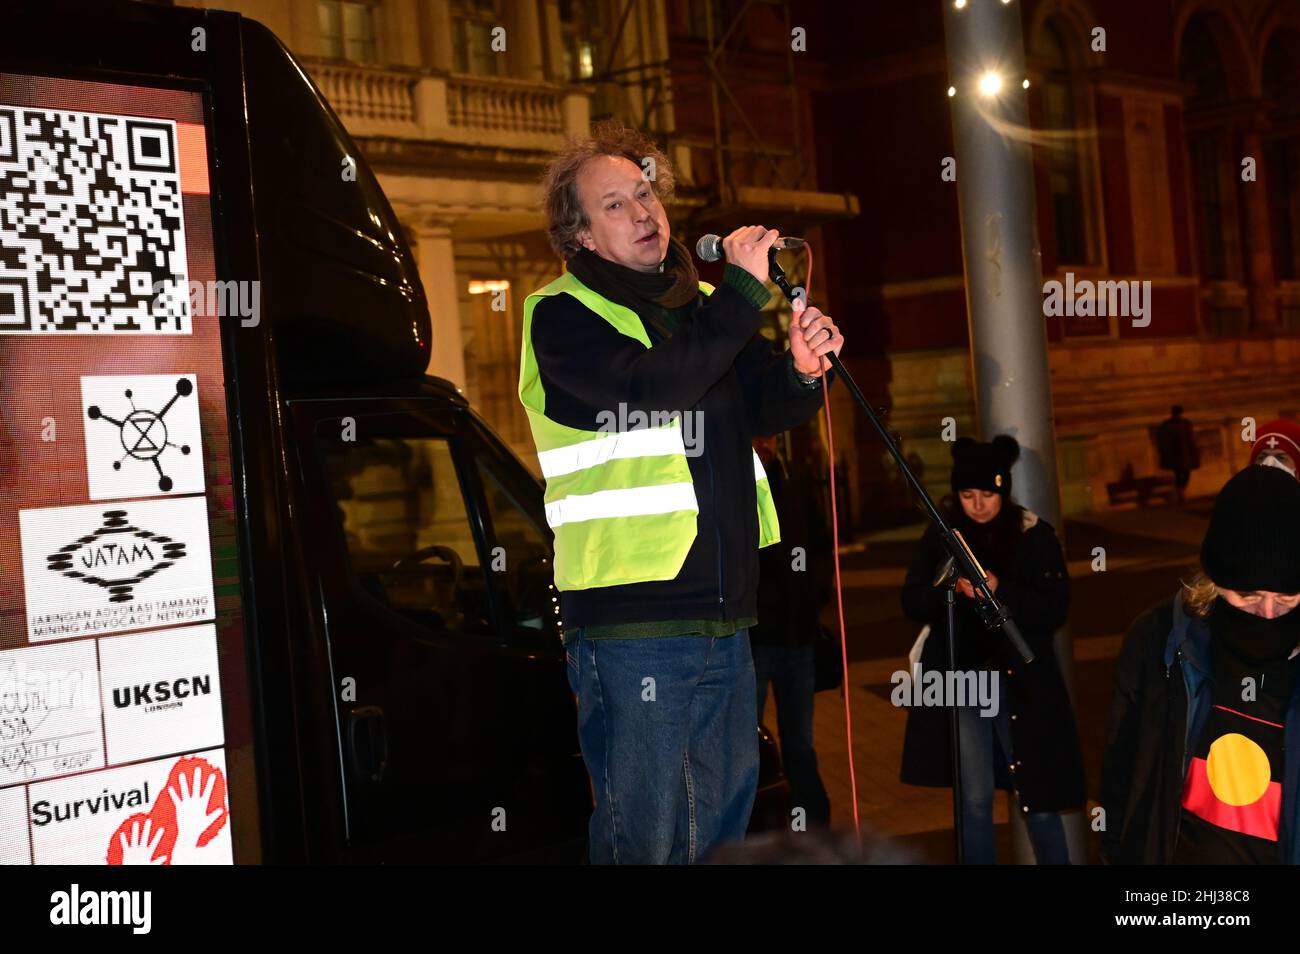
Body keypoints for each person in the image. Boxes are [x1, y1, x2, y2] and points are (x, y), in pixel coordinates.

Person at [520, 121, 845, 864]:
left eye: (646, 193)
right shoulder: (561, 315)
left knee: (720, 835)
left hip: (727, 617)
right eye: (615, 204)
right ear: (580, 237)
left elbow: (766, 404)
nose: (644, 212)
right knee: (648, 838)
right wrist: (737, 295)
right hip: (635, 624)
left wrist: (799, 367)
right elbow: (651, 389)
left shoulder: (702, 306)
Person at [1100, 465, 1300, 864]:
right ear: (1214, 579)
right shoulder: (1160, 641)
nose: (1267, 612)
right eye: (1247, 594)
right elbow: (1123, 773)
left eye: (1288, 596)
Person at [899, 435, 1085, 864]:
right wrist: (950, 591)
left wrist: (1000, 590)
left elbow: (1053, 606)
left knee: (1036, 794)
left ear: (1003, 491)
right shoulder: (944, 536)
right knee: (974, 799)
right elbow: (911, 599)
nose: (978, 505)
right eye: (967, 495)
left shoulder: (1032, 534)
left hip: (1022, 680)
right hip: (965, 680)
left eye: (988, 494)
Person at [750, 430, 832, 827]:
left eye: (767, 437)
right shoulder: (737, 480)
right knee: (748, 739)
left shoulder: (795, 481)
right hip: (756, 637)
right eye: (756, 437)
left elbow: (819, 543)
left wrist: (816, 594)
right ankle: (755, 826)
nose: (763, 444)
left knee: (800, 742)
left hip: (797, 635)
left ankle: (811, 825)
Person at [1156, 405, 1200, 506]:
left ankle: (1181, 491)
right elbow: (1191, 439)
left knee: (1179, 474)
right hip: (1183, 454)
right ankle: (1181, 491)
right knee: (1185, 473)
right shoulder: (1184, 423)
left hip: (1176, 455)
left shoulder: (1168, 424)